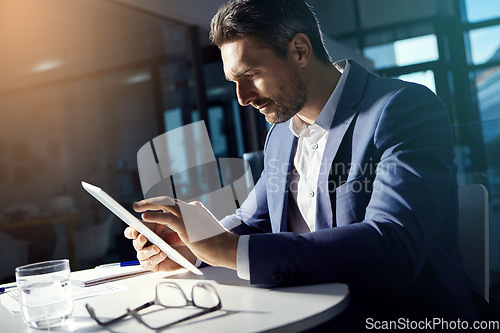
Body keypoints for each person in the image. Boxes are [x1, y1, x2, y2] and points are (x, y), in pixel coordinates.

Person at [125, 0, 488, 328]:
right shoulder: (281, 135)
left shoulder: (403, 108)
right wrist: (194, 247)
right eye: (234, 81)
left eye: (250, 75)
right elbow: (255, 220)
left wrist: (227, 250)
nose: (242, 98)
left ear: (299, 50)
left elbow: (393, 246)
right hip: (313, 314)